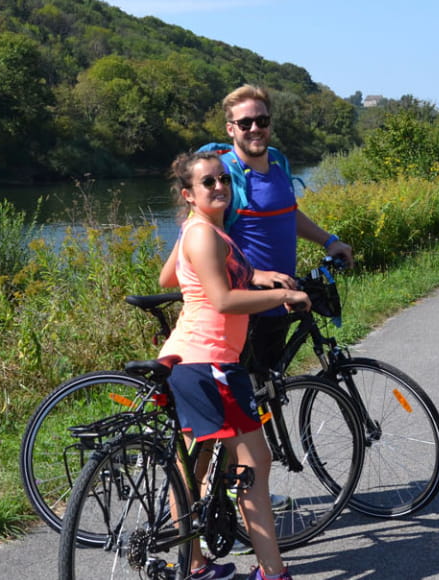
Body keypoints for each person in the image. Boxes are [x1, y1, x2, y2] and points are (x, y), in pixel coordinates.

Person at [158, 151, 311, 580]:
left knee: (197, 466)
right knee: (252, 463)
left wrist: (254, 275)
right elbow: (223, 299)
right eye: (208, 183)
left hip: (194, 361)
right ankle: (272, 572)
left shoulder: (202, 230)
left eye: (223, 179)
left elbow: (169, 278)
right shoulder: (205, 235)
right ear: (189, 194)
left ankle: (194, 566)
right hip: (210, 364)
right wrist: (282, 297)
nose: (220, 186)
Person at [164, 84, 354, 375]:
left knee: (268, 396)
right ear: (231, 129)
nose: (255, 128)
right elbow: (187, 247)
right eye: (245, 123)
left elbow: (288, 213)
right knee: (246, 401)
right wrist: (252, 275)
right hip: (245, 309)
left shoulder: (278, 161)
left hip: (280, 302)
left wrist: (329, 240)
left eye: (262, 121)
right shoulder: (222, 178)